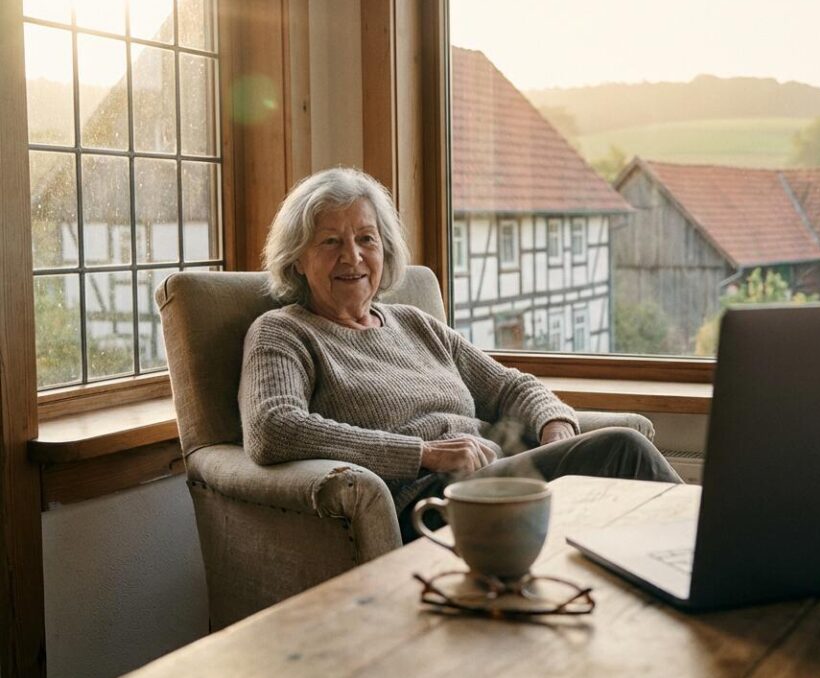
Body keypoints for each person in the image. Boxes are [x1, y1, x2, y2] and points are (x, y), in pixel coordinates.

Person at [238, 168, 681, 541]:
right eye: (330, 242)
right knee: (623, 449)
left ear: (384, 249)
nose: (352, 256)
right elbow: (273, 428)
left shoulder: (415, 324)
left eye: (366, 239)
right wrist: (424, 453)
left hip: (505, 471)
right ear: (297, 259)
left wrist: (556, 427)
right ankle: (720, 565)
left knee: (627, 509)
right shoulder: (284, 332)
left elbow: (510, 385)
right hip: (435, 502)